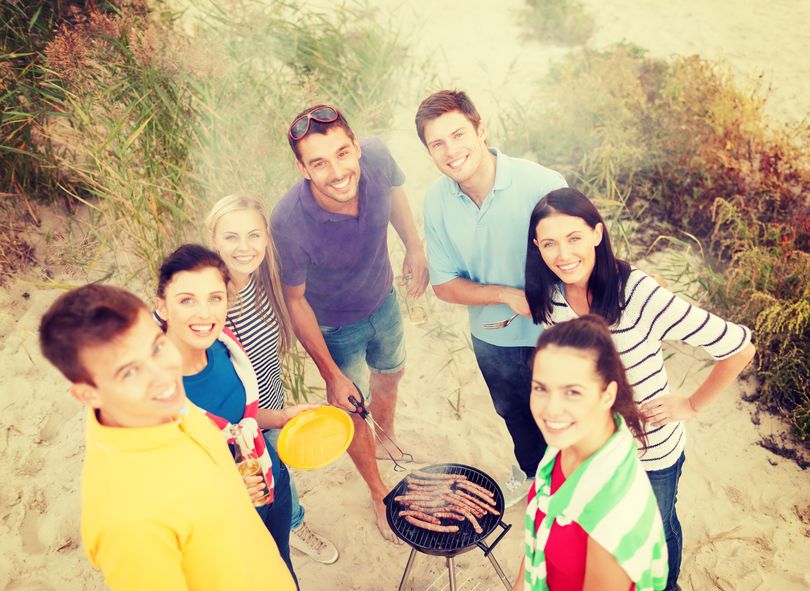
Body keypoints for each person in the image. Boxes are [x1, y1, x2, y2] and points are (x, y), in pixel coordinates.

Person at [525, 187, 756, 591]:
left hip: (649, 455)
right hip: (588, 453)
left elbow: (739, 347)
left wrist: (691, 404)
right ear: (537, 247)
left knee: (656, 537)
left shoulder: (639, 295)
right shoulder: (552, 297)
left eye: (574, 238)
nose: (563, 254)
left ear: (597, 233)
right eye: (550, 243)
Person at [38, 284, 296, 591]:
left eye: (157, 347)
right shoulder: (128, 521)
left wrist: (232, 486)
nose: (163, 374)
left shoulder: (161, 404)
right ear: (87, 394)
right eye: (130, 373)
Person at [270, 104, 428, 542]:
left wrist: (413, 246)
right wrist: (331, 374)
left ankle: (388, 434)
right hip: (336, 327)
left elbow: (395, 192)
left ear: (356, 147)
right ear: (303, 169)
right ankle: (379, 493)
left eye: (342, 153)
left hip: (385, 298)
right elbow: (295, 301)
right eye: (319, 162)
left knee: (392, 371)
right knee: (352, 406)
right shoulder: (288, 222)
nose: (337, 171)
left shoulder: (376, 157)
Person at [415, 89, 568, 506]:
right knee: (515, 415)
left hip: (555, 335)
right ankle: (533, 477)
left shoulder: (542, 183)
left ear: (481, 129)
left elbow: (579, 259)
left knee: (564, 422)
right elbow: (445, 285)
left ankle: (573, 495)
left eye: (459, 134)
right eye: (438, 144)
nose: (452, 151)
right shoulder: (436, 202)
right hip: (492, 337)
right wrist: (504, 294)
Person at [154, 244, 315, 586]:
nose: (204, 313)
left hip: (271, 480)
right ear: (161, 306)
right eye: (187, 300)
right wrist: (229, 485)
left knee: (282, 565)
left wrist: (284, 417)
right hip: (225, 514)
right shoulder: (153, 394)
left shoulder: (223, 346)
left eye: (215, 298)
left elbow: (240, 420)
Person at [206, 193, 339, 565]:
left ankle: (288, 523)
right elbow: (226, 405)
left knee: (277, 473)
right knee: (264, 486)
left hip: (271, 401)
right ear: (213, 239)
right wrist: (278, 418)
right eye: (231, 237)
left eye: (253, 235)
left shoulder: (263, 280)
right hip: (242, 422)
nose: (245, 247)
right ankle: (290, 527)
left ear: (267, 237)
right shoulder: (213, 303)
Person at [513, 315, 668, 591]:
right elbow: (539, 542)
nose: (551, 409)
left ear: (607, 395)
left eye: (572, 392)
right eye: (541, 388)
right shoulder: (567, 443)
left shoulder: (613, 510)